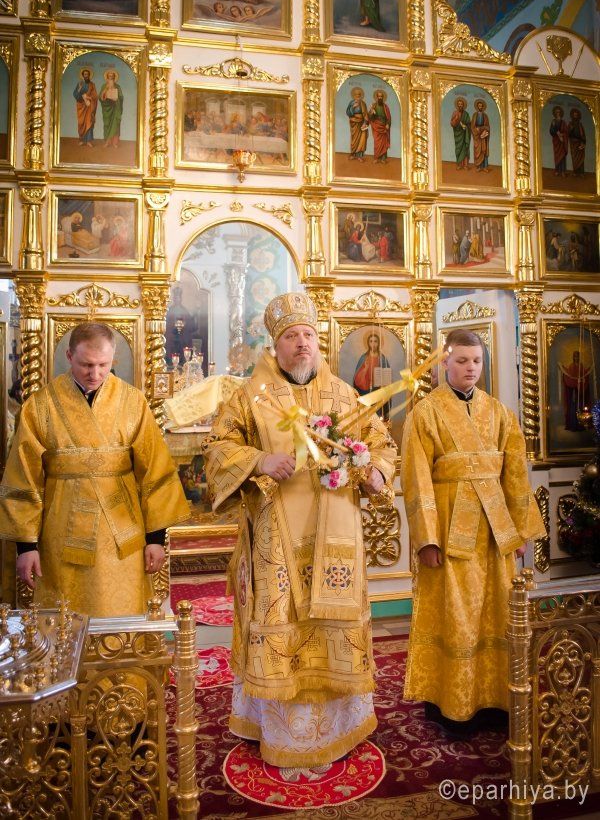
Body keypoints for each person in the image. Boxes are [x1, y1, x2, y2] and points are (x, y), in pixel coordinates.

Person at [202, 292, 397, 767]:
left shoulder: (345, 395)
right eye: (292, 336)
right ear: (277, 345)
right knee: (283, 621)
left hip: (338, 534)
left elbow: (381, 443)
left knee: (332, 624)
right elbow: (216, 448)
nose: (302, 343)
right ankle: (280, 729)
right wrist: (259, 461)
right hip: (276, 539)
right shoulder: (249, 397)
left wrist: (377, 472)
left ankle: (340, 726)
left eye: (308, 334)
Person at [400, 329, 545, 734]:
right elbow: (417, 479)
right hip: (449, 530)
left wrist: (519, 531)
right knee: (457, 613)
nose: (470, 368)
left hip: (495, 532)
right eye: (461, 361)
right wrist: (427, 539)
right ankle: (451, 705)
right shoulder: (425, 413)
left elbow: (514, 475)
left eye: (476, 361)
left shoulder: (499, 413)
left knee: (498, 611)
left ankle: (497, 699)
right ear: (444, 363)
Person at [0, 322, 189, 616]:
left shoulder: (133, 401)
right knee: (65, 619)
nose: (95, 373)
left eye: (103, 364)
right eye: (86, 364)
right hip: (61, 531)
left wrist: (155, 540)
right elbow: (24, 477)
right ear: (69, 356)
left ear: (113, 358)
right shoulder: (40, 406)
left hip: (122, 534)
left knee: (122, 614)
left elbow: (156, 471)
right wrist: (26, 547)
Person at [560, 350, 591, 431]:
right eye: (575, 356)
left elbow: (584, 375)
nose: (576, 358)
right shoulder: (571, 366)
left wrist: (583, 379)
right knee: (573, 407)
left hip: (580, 391)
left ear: (579, 357)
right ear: (573, 357)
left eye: (577, 356)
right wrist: (563, 369)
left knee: (580, 406)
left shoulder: (581, 366)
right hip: (573, 391)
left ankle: (581, 425)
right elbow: (569, 377)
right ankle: (572, 425)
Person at [353, 331, 391, 397]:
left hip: (378, 391)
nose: (373, 344)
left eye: (375, 341)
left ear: (379, 343)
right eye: (371, 341)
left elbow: (387, 378)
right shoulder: (364, 358)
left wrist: (383, 385)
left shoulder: (382, 359)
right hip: (365, 391)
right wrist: (365, 369)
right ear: (368, 343)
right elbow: (357, 380)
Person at [73, 68, 98, 147]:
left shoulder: (92, 85)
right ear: (83, 75)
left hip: (89, 106)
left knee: (89, 122)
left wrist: (89, 97)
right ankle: (82, 140)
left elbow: (95, 96)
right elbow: (75, 94)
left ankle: (88, 141)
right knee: (81, 123)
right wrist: (79, 89)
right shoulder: (79, 83)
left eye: (87, 74)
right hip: (81, 105)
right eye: (85, 74)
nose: (86, 76)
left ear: (89, 75)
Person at [99, 69, 123, 149]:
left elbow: (121, 97)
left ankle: (114, 142)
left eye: (112, 76)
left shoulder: (118, 87)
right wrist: (106, 90)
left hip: (115, 108)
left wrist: (117, 99)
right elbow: (100, 98)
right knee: (107, 124)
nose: (111, 78)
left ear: (114, 77)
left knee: (116, 125)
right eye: (109, 76)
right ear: (107, 77)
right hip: (107, 108)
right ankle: (107, 142)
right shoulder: (104, 86)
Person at [346, 86, 369, 161]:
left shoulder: (363, 103)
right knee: (354, 140)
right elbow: (348, 112)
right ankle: (353, 154)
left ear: (361, 95)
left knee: (361, 140)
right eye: (356, 94)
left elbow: (365, 114)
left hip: (361, 123)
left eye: (359, 94)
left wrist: (365, 123)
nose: (358, 96)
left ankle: (359, 156)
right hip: (354, 122)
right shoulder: (351, 103)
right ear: (354, 95)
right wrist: (353, 107)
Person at [369, 89, 391, 164]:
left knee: (384, 143)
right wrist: (372, 112)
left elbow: (388, 117)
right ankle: (376, 158)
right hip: (376, 126)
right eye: (379, 96)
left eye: (381, 96)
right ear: (377, 97)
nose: (380, 98)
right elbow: (370, 117)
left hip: (384, 126)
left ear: (383, 97)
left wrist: (388, 124)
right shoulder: (374, 106)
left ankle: (383, 158)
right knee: (377, 143)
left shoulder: (385, 107)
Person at [450, 96, 471, 170]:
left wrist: (465, 126)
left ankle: (465, 165)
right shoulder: (455, 113)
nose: (460, 105)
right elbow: (452, 124)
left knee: (465, 149)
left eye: (461, 104)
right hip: (458, 134)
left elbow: (469, 124)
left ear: (463, 105)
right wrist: (455, 120)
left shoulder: (466, 114)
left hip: (465, 134)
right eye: (459, 104)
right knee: (458, 149)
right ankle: (459, 165)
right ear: (457, 105)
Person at [471, 99, 490, 172]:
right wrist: (477, 130)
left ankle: (485, 167)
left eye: (481, 106)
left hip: (483, 135)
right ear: (477, 107)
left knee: (483, 150)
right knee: (478, 151)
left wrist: (484, 130)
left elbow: (487, 127)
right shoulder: (474, 115)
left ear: (483, 107)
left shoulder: (485, 116)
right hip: (477, 136)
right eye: (479, 106)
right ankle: (478, 166)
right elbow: (472, 126)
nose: (480, 107)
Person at [549, 105, 568, 176]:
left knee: (562, 156)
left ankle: (563, 171)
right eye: (556, 112)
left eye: (559, 112)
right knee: (557, 156)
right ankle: (557, 170)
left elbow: (566, 131)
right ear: (555, 113)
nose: (558, 113)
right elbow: (551, 131)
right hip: (556, 141)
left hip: (562, 141)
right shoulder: (553, 122)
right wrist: (556, 134)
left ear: (561, 113)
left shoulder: (563, 122)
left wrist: (562, 135)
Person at [568, 108, 586, 177]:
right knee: (575, 158)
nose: (575, 116)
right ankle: (575, 172)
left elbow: (583, 135)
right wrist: (571, 129)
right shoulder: (570, 124)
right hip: (573, 143)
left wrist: (583, 142)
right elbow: (568, 134)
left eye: (576, 115)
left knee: (581, 158)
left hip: (579, 143)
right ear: (572, 116)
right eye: (574, 115)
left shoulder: (580, 124)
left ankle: (581, 173)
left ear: (578, 116)